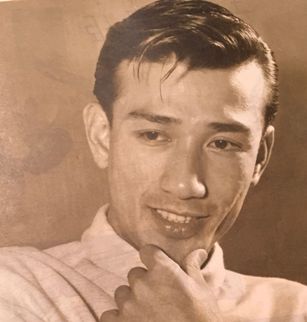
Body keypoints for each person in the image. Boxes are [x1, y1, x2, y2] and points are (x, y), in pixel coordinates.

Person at [0, 0, 306, 321]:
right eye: (153, 135)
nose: (186, 184)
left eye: (221, 143)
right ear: (102, 135)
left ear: (259, 156)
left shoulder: (296, 308)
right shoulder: (15, 288)